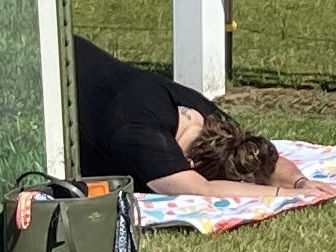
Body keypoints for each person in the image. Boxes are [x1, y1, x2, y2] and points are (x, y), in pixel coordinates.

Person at [73, 32, 287, 200]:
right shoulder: (144, 138)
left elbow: (259, 154)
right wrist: (283, 195)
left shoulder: (204, 116)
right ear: (190, 163)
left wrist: (300, 184)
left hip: (74, 49)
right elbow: (201, 189)